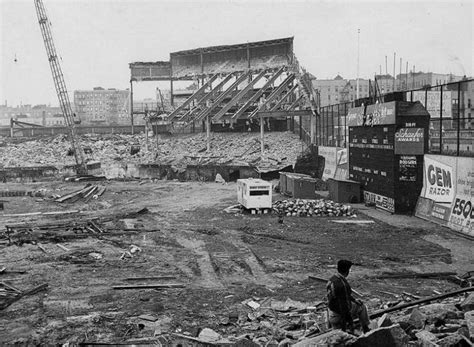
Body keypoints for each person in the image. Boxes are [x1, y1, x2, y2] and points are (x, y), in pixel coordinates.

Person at [326, 259, 370, 334]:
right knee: (362, 307)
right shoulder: (343, 284)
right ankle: (366, 329)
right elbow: (344, 306)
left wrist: (354, 300)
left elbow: (341, 296)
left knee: (355, 304)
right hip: (339, 316)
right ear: (347, 271)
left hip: (331, 313)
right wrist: (350, 322)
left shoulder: (332, 279)